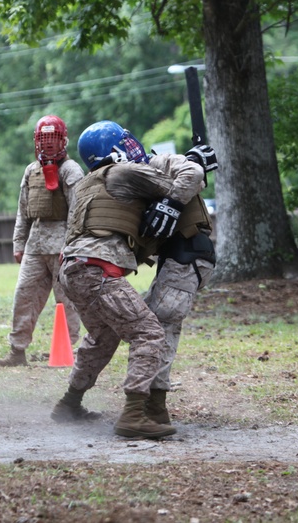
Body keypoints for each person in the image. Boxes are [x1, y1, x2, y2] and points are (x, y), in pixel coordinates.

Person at [50, 121, 204, 439]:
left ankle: (69, 404)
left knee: (104, 336)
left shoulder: (87, 182)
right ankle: (134, 414)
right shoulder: (123, 173)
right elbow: (190, 178)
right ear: (117, 149)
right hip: (97, 271)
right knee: (148, 332)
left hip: (71, 270)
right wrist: (196, 161)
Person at [0, 115, 84, 367]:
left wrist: (71, 246)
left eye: (53, 139)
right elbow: (23, 211)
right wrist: (18, 243)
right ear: (36, 141)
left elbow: (78, 211)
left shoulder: (71, 170)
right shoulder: (31, 171)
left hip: (62, 246)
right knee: (24, 296)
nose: (48, 144)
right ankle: (17, 351)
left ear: (63, 140)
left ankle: (69, 350)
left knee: (66, 300)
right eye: (44, 139)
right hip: (35, 245)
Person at [142, 142, 218, 426]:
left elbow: (193, 173)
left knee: (160, 326)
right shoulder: (130, 175)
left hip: (187, 255)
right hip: (180, 257)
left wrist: (171, 204)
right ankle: (148, 401)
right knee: (150, 320)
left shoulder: (154, 164)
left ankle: (154, 406)